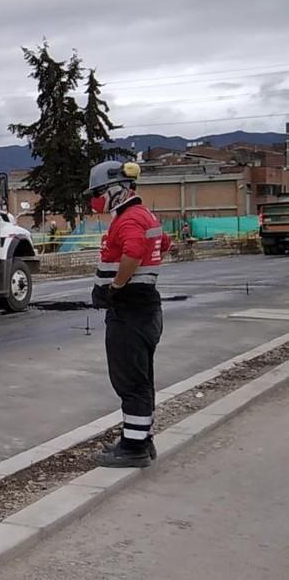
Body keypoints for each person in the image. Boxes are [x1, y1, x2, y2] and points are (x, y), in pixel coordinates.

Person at [86, 161, 171, 468]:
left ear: (114, 190)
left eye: (96, 193)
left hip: (130, 310)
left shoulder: (129, 219)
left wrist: (117, 287)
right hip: (145, 308)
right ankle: (140, 439)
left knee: (129, 380)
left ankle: (133, 448)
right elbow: (164, 243)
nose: (94, 200)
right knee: (140, 379)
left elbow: (133, 252)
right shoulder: (145, 214)